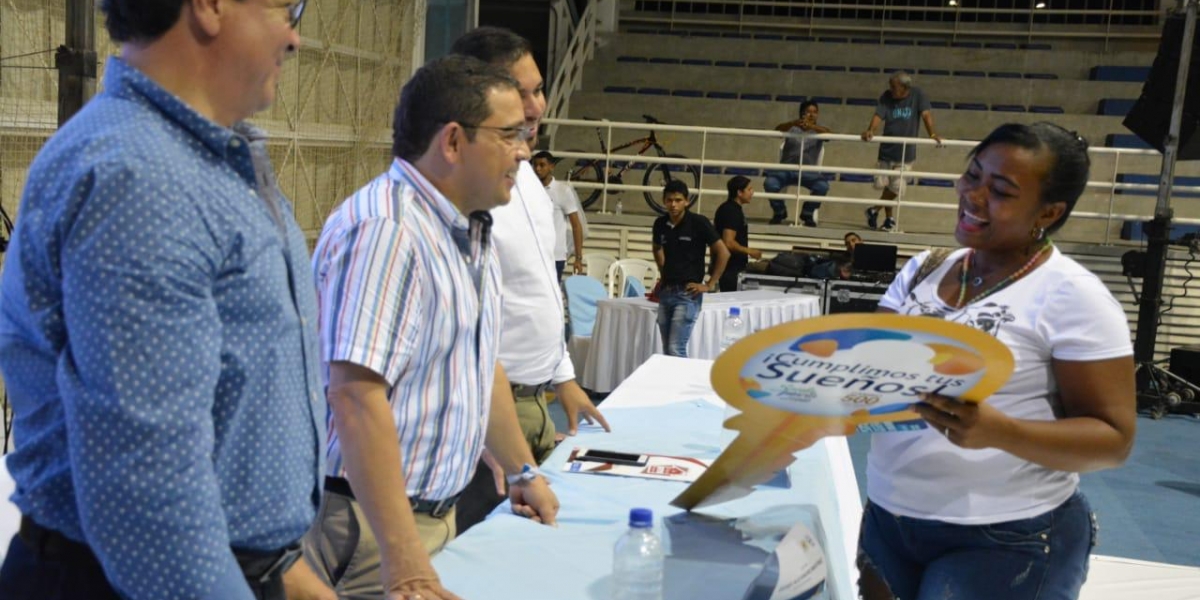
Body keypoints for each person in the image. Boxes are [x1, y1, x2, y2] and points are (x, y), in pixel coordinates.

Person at [0, 1, 329, 599]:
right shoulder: (140, 175)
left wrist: (284, 571)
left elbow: (234, 429)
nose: (295, 36)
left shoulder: (205, 160)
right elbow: (150, 499)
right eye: (287, 7)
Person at [303, 55, 559, 600]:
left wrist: (521, 472)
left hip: (431, 515)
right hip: (371, 525)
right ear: (452, 142)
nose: (524, 149)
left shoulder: (466, 229)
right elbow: (355, 396)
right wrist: (405, 560)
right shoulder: (387, 231)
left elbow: (477, 363)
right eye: (510, 134)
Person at [861, 123, 1135, 600]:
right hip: (890, 517)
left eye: (1001, 190)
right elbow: (870, 370)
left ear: (1048, 212)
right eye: (973, 175)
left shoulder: (1073, 296)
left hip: (1005, 534)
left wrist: (1000, 432)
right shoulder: (923, 268)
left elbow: (1112, 440)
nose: (974, 195)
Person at [448, 27, 609, 536]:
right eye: (523, 92)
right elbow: (463, 334)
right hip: (490, 417)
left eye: (539, 89)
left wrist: (563, 379)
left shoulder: (534, 191)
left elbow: (542, 290)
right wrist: (490, 441)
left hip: (535, 403)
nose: (537, 105)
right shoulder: (465, 197)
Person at [653, 180, 730, 357]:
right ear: (664, 201)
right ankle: (671, 384)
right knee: (666, 349)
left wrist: (710, 283)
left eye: (678, 200)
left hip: (688, 294)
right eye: (669, 200)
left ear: (687, 201)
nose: (673, 204)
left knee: (675, 348)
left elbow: (723, 252)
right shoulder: (660, 224)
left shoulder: (698, 222)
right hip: (666, 291)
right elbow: (657, 247)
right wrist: (662, 270)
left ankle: (681, 384)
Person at [860, 71, 943, 232]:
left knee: (896, 187)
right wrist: (871, 130)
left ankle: (874, 210)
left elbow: (926, 115)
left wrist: (932, 133)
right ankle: (889, 219)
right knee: (884, 185)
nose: (890, 89)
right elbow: (878, 115)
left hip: (906, 153)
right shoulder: (886, 96)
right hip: (887, 150)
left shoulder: (918, 94)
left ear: (905, 87)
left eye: (893, 86)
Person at [763, 100, 832, 226]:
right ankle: (779, 211)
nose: (812, 115)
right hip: (786, 170)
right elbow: (777, 130)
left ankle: (807, 213)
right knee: (770, 183)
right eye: (809, 112)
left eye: (815, 112)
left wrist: (812, 127)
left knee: (822, 186)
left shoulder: (819, 131)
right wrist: (792, 123)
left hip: (808, 172)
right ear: (802, 113)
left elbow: (830, 135)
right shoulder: (792, 128)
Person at [533, 150, 586, 280]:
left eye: (542, 165)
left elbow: (576, 226)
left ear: (551, 166)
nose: (538, 169)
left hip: (555, 256)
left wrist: (578, 258)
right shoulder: (531, 189)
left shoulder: (562, 190)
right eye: (535, 165)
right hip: (534, 255)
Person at [714, 175, 763, 292]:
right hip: (730, 268)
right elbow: (728, 242)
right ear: (739, 192)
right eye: (749, 189)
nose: (752, 192)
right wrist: (750, 251)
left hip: (733, 267)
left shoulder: (734, 209)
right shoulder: (731, 211)